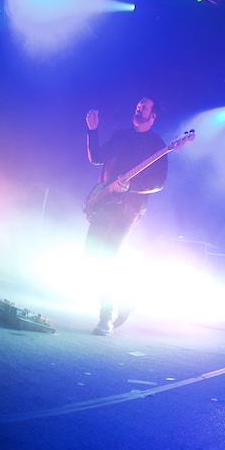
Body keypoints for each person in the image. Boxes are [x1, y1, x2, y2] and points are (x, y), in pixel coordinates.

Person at [84, 97, 167, 335]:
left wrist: (130, 186)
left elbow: (159, 182)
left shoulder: (157, 144)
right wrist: (92, 130)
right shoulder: (121, 135)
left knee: (108, 258)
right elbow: (96, 157)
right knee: (90, 257)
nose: (139, 109)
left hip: (129, 209)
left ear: (153, 117)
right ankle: (125, 300)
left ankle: (105, 319)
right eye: (138, 106)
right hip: (105, 203)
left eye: (145, 108)